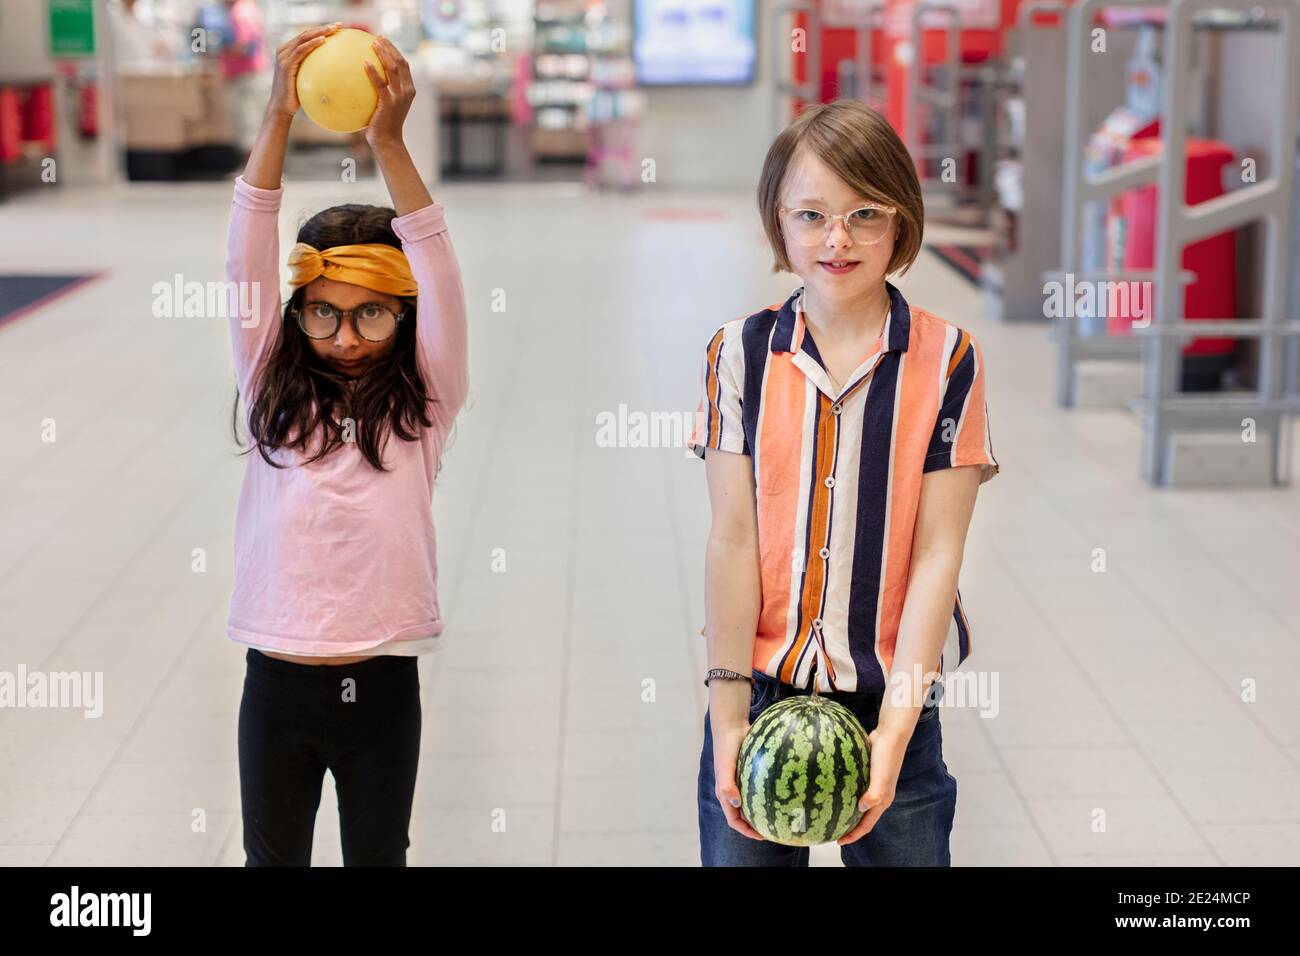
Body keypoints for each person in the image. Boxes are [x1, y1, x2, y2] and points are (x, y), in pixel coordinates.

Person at [689, 99, 999, 867]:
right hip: (761, 688)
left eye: (866, 213)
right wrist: (728, 716)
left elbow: (937, 556)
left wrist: (894, 731)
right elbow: (731, 538)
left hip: (893, 694)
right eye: (811, 214)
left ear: (902, 221)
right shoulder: (738, 354)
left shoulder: (949, 359)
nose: (837, 239)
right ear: (778, 223)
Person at [225, 23, 468, 865]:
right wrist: (275, 121)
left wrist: (388, 145)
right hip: (275, 684)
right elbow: (247, 255)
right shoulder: (268, 381)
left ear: (403, 316)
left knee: (379, 858)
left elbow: (435, 265)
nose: (346, 334)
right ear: (297, 313)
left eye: (372, 311)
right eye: (323, 311)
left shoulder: (426, 397)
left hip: (384, 690)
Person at [220, 0, 270, 153]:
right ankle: (255, 173)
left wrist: (218, 48)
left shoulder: (240, 11)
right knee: (255, 128)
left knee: (249, 128)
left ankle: (251, 174)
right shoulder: (248, 8)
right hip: (251, 77)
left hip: (247, 78)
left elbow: (244, 46)